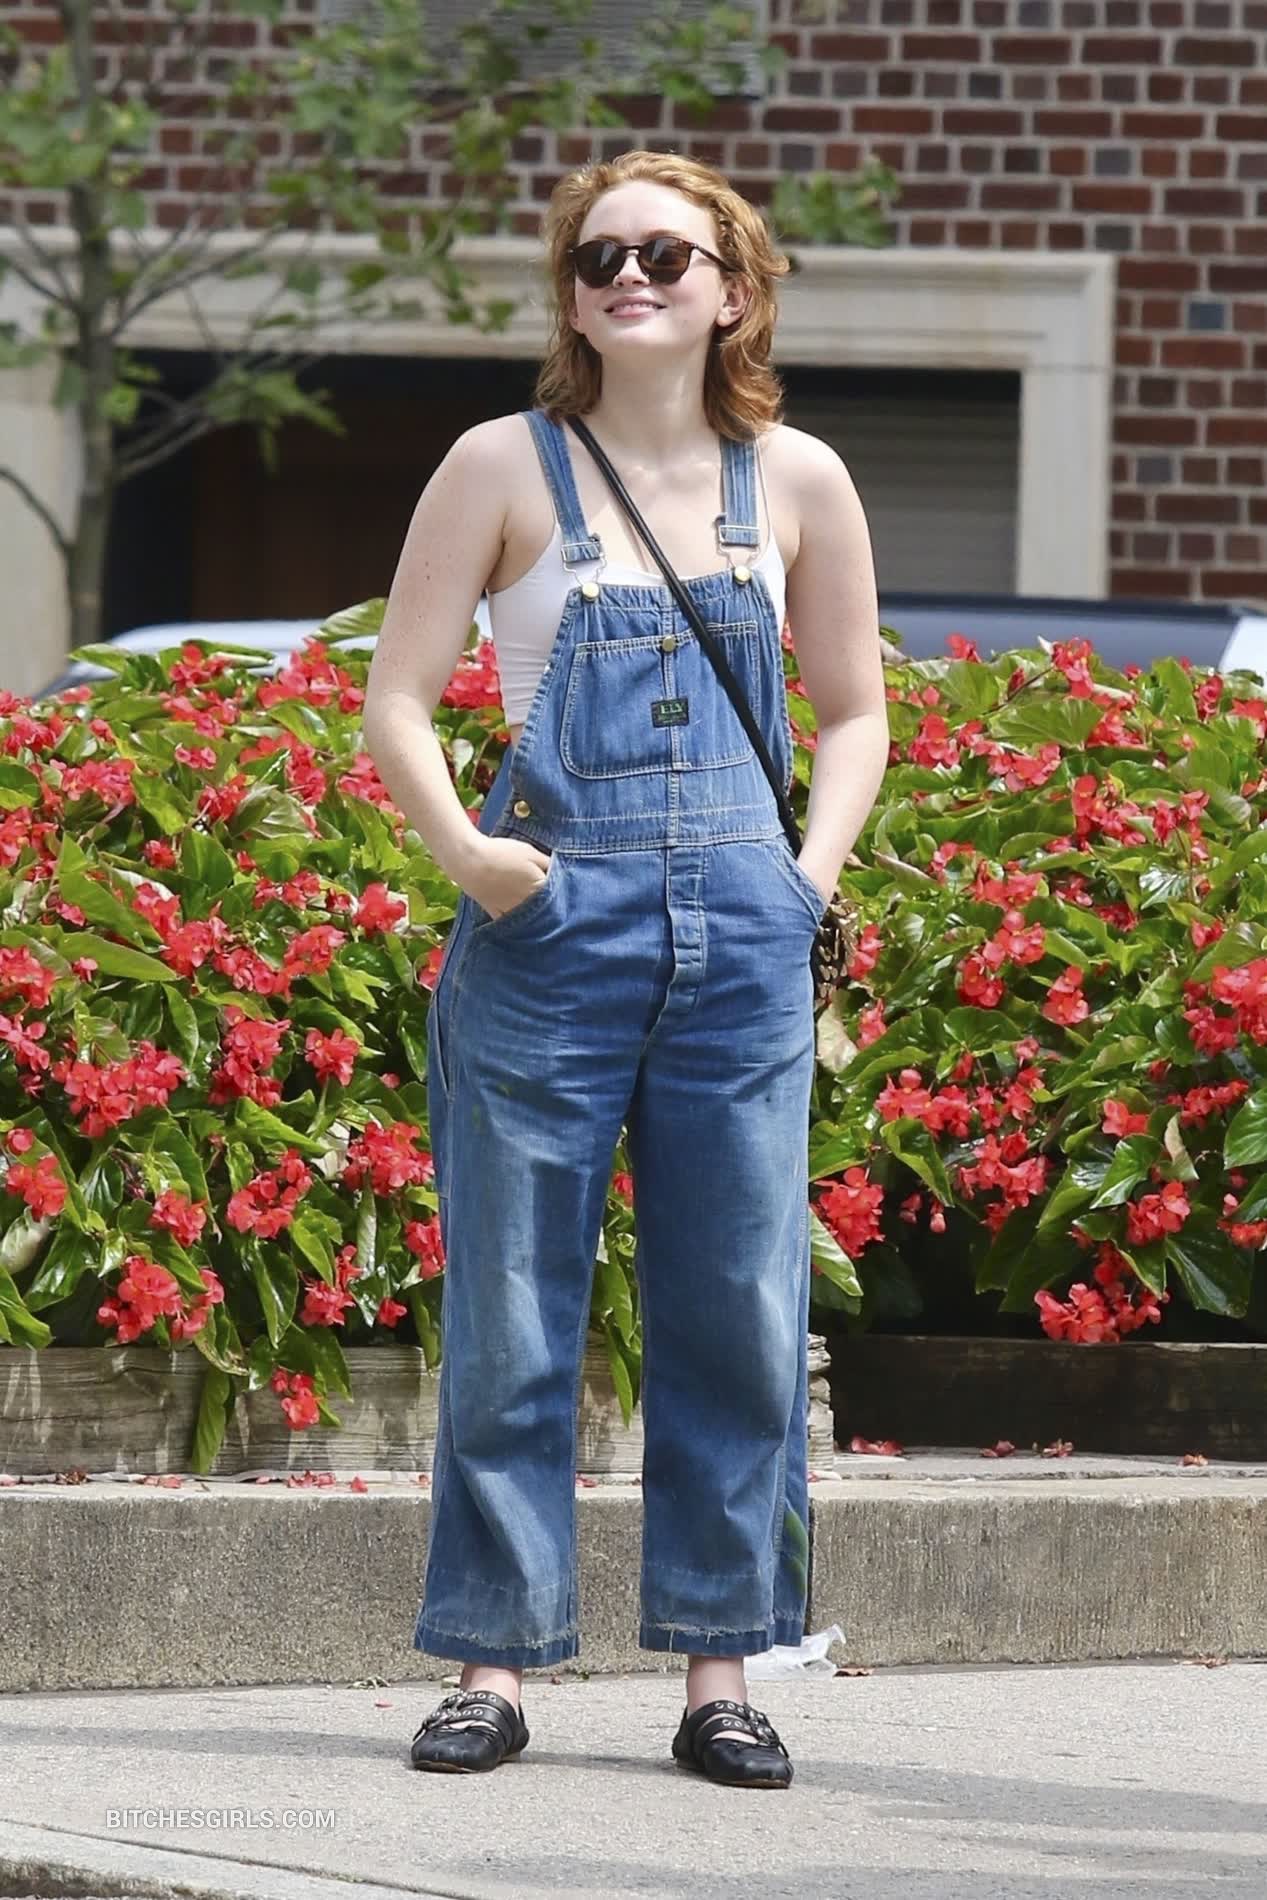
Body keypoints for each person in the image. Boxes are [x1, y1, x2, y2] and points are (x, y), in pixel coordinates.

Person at [362, 147, 887, 1789]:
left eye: (667, 253)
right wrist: (473, 859)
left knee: (738, 1308)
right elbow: (396, 697)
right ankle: (492, 1666)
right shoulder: (497, 465)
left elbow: (856, 713)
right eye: (601, 259)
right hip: (548, 931)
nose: (632, 278)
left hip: (742, 937)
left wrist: (805, 882)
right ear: (572, 299)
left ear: (734, 287)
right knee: (512, 1307)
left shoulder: (796, 480)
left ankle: (723, 1675)